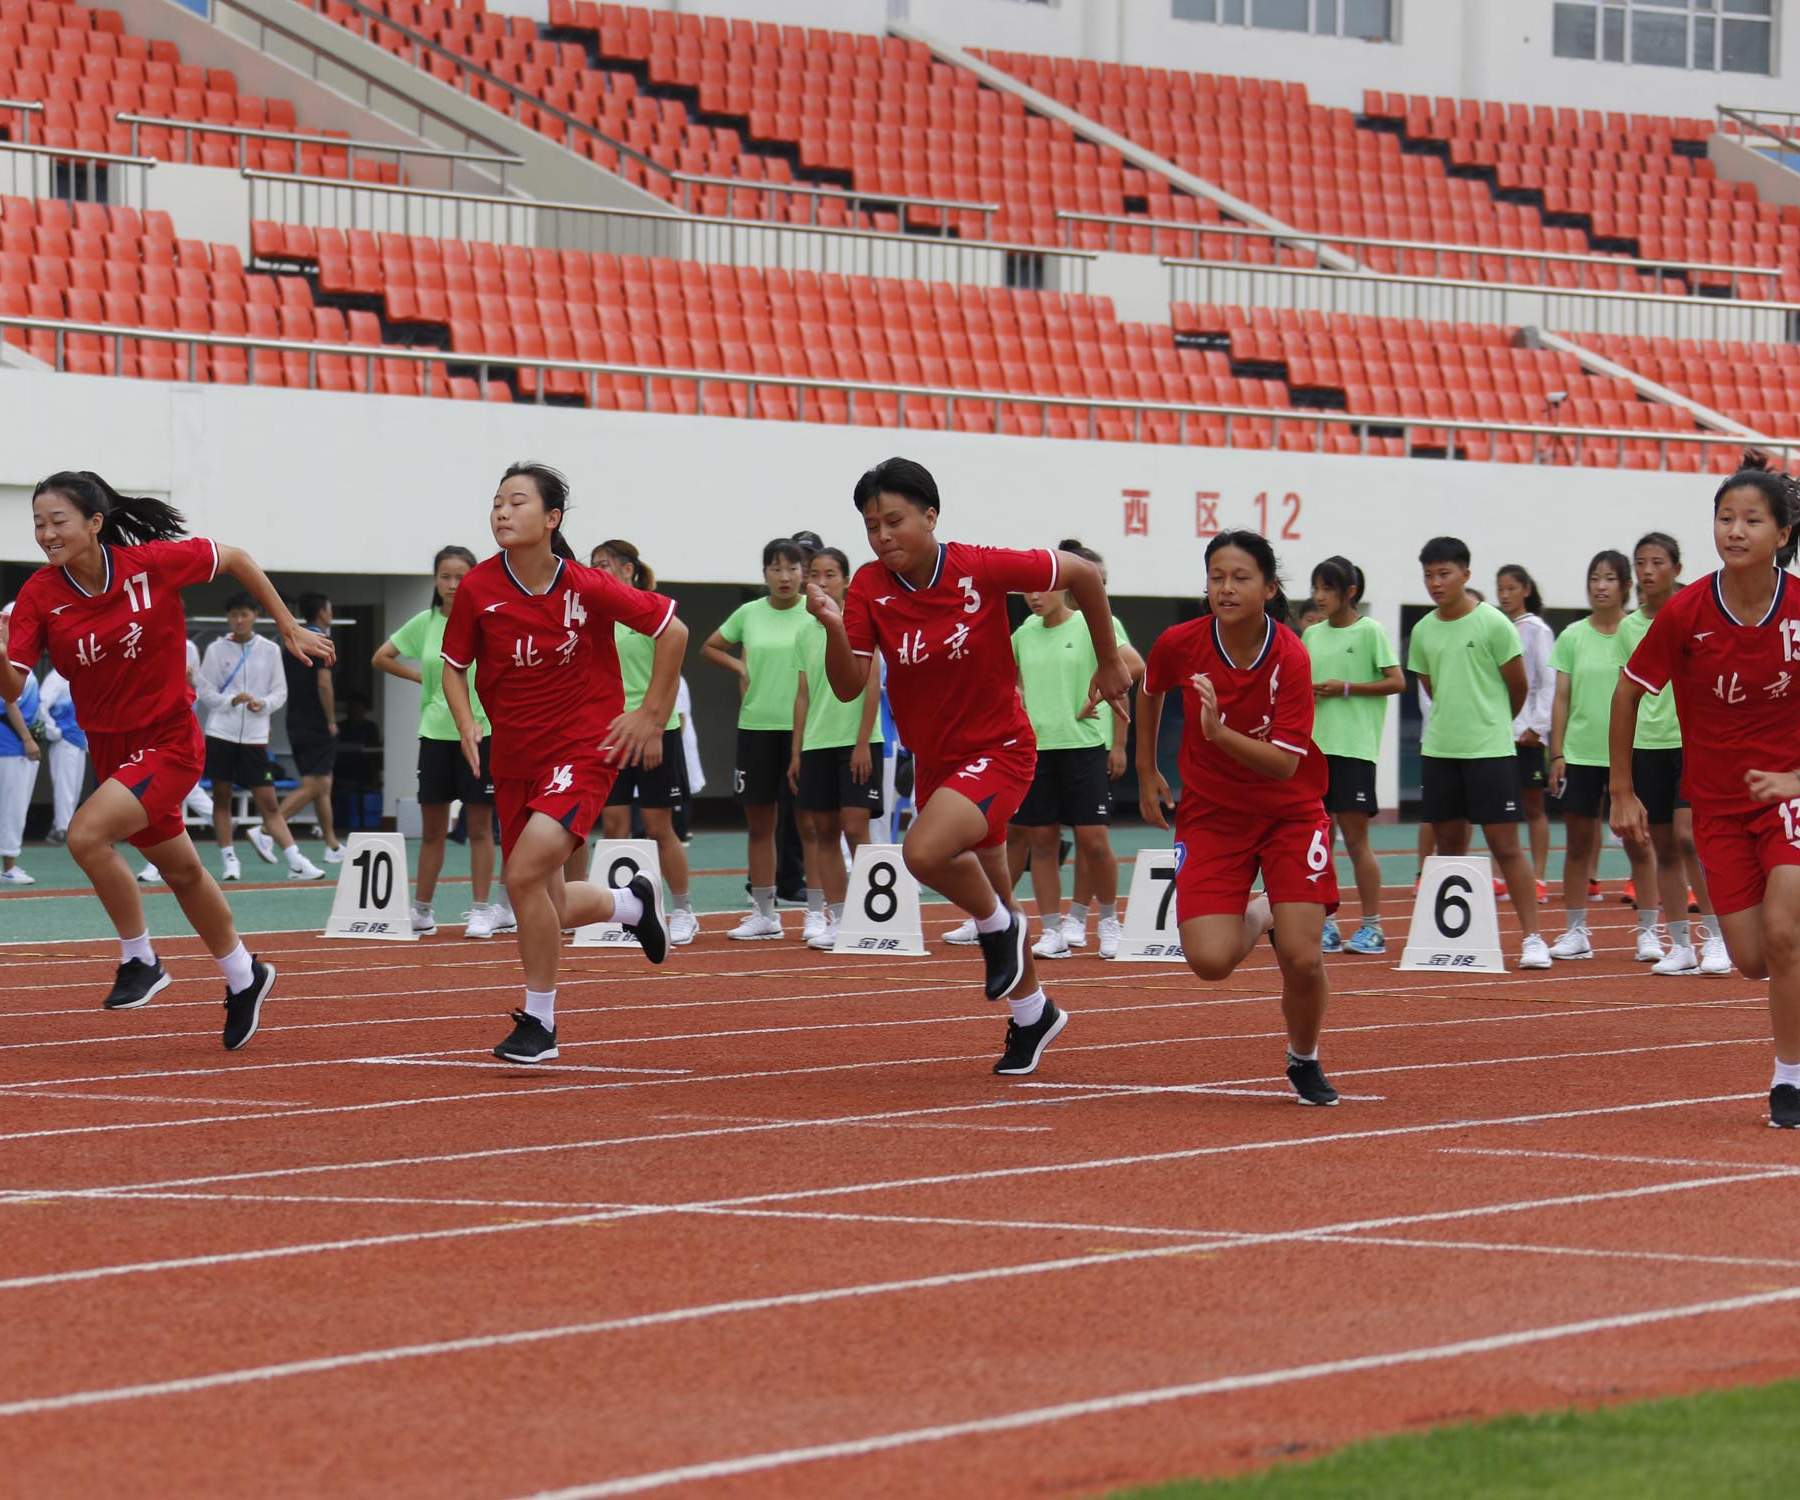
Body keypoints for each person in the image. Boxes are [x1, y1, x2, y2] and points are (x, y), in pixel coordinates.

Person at [806, 456, 1131, 1076]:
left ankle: (998, 928)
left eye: (894, 521)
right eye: (871, 527)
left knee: (924, 855)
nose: (882, 537)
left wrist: (1109, 658)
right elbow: (849, 686)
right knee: (995, 891)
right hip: (939, 764)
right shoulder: (871, 589)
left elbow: (1085, 574)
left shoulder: (979, 567)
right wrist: (829, 624)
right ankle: (1033, 1012)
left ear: (931, 515)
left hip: (1002, 749)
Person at [0, 470, 332, 1045]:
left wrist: (287, 625)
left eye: (57, 521)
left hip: (171, 742)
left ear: (94, 523)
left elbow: (236, 558)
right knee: (181, 870)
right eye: (37, 523)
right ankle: (243, 975)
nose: (45, 533)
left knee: (84, 836)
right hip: (113, 750)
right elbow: (12, 686)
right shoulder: (38, 595)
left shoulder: (151, 564)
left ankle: (141, 959)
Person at [441, 462, 686, 1063]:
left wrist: (651, 714)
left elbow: (672, 631)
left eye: (516, 501)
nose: (501, 511)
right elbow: (453, 666)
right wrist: (467, 720)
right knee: (545, 897)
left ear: (551, 519)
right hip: (515, 758)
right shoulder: (478, 588)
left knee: (521, 877)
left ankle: (540, 1023)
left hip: (582, 749)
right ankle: (632, 904)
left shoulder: (585, 584)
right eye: (496, 501)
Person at [1611, 455, 1800, 1129]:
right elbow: (1628, 690)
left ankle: (1789, 1079)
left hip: (1789, 801)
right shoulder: (1688, 613)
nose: (1736, 530)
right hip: (1717, 805)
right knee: (1752, 959)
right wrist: (1623, 789)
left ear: (1782, 533)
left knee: (1785, 933)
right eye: (1725, 519)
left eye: (1752, 519)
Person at [1137, 530, 1341, 1106]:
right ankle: (1263, 911)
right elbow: (1150, 689)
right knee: (1209, 961)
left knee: (1303, 956)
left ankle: (1304, 1058)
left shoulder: (1292, 656)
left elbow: (1282, 765)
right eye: (1216, 577)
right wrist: (1147, 769)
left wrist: (1217, 732)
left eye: (1241, 577)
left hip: (1289, 814)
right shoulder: (1180, 643)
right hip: (1211, 815)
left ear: (1270, 588)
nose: (1226, 588)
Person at [1408, 537, 1550, 969]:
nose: (1436, 583)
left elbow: (1518, 686)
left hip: (1490, 751)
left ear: (1466, 575)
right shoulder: (1423, 630)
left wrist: (1492, 724)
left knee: (1505, 845)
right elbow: (1431, 686)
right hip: (1440, 751)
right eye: (1429, 575)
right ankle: (1450, 939)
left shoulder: (1493, 624)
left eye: (1444, 573)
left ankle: (1532, 938)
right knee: (1448, 844)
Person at [1005, 538, 1141, 962]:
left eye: (1041, 587)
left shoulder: (1091, 624)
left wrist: (1099, 692)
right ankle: (1051, 929)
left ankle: (1109, 922)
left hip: (1083, 746)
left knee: (1094, 841)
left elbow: (1134, 665)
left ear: (1062, 585)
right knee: (1041, 842)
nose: (1033, 596)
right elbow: (1010, 680)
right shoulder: (1023, 633)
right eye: (1027, 589)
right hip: (1037, 749)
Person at [373, 545, 510, 940]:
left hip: (481, 733)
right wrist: (422, 680)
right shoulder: (424, 622)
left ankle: (483, 910)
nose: (452, 584)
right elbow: (382, 657)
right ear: (435, 580)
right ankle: (422, 910)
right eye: (445, 577)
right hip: (435, 735)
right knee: (432, 830)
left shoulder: (488, 622)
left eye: (460, 577)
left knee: (481, 827)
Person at [1618, 532, 1730, 976]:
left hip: (1690, 741)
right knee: (1661, 845)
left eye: (1657, 562)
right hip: (1648, 745)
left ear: (1677, 569)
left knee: (1691, 839)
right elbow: (1627, 692)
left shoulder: (1696, 615)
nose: (1647, 571)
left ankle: (1718, 939)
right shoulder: (1629, 627)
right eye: (1640, 563)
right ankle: (1680, 944)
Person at [1546, 552, 1661, 962]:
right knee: (1578, 843)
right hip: (1579, 753)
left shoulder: (1636, 632)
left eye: (1609, 578)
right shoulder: (1572, 636)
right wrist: (1556, 752)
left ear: (1626, 587)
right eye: (1594, 578)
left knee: (1638, 841)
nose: (1600, 586)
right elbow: (1561, 697)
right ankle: (1575, 931)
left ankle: (1649, 931)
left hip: (1630, 753)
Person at [590, 538, 697, 947]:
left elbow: (668, 678)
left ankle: (684, 910)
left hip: (655, 731)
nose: (598, 571)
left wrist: (654, 729)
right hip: (613, 732)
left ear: (628, 570)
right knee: (614, 824)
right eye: (594, 564)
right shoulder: (595, 618)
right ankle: (615, 908)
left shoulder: (652, 610)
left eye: (606, 564)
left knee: (658, 826)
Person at [703, 538, 812, 940]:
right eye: (775, 569)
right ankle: (764, 912)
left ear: (804, 571)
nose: (784, 577)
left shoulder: (816, 612)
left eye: (792, 568)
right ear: (764, 573)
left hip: (806, 729)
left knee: (809, 824)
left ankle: (818, 912)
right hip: (756, 729)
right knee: (760, 824)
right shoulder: (749, 613)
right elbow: (710, 646)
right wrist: (740, 667)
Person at [1303, 555, 1403, 955]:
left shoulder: (1370, 631)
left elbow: (1396, 681)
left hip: (1354, 749)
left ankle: (1372, 926)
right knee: (1318, 841)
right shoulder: (1311, 635)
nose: (1319, 596)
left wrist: (1346, 687)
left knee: (1356, 841)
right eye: (1316, 588)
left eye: (1328, 588)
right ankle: (1325, 922)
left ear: (1350, 592)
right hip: (1315, 750)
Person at [790, 545, 886, 951]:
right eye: (816, 574)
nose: (822, 582)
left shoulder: (859, 622)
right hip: (817, 744)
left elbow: (871, 685)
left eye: (831, 574)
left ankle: (871, 914)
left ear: (845, 580)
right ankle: (841, 917)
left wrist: (863, 743)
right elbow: (803, 696)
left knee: (854, 826)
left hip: (857, 742)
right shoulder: (803, 631)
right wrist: (797, 752)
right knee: (823, 831)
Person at [196, 593, 326, 884]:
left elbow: (279, 691)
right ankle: (229, 858)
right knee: (221, 795)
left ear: (254, 616)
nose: (239, 620)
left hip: (255, 736)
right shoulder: (217, 650)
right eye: (234, 615)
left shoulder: (269, 649)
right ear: (228, 619)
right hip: (221, 732)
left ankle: (295, 859)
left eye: (244, 614)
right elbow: (205, 690)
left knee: (267, 801)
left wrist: (262, 704)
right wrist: (230, 701)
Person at [1496, 563, 1554, 903]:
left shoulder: (1536, 629)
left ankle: (1539, 877)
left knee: (1533, 807)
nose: (1505, 595)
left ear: (1526, 590)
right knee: (1503, 808)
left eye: (1511, 588)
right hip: (1501, 732)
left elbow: (1548, 679)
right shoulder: (1498, 626)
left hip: (1528, 733)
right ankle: (1505, 876)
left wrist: (1538, 726)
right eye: (1500, 588)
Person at [136, 635, 212, 887]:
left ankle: (158, 862)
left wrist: (187, 682)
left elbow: (196, 691)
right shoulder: (138, 641)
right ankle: (218, 819)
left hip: (177, 730)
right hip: (146, 727)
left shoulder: (188, 646)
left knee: (167, 794)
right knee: (163, 794)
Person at [275, 591, 344, 865]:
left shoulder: (292, 640)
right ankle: (269, 826)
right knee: (318, 784)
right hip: (316, 722)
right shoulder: (321, 640)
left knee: (323, 784)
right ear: (323, 612)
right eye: (330, 608)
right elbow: (324, 684)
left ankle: (332, 844)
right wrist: (330, 719)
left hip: (295, 719)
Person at [0, 604, 41, 885]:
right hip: (11, 745)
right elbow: (9, 700)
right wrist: (27, 739)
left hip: (17, 744)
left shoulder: (19, 654)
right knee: (12, 805)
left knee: (15, 804)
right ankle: (9, 865)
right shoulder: (6, 657)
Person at [39, 666, 84, 845]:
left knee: (74, 786)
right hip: (64, 738)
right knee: (64, 785)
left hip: (77, 738)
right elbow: (42, 703)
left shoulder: (77, 674)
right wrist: (53, 729)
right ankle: (61, 828)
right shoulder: (56, 677)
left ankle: (67, 826)